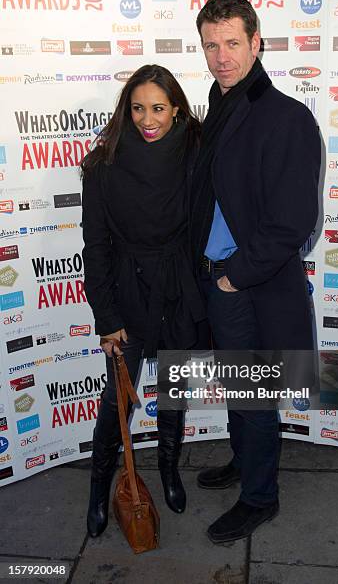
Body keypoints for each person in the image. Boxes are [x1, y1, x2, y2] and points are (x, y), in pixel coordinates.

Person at [190, 0, 321, 544]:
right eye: (211, 45)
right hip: (219, 279)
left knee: (255, 393)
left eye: (232, 43)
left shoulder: (287, 116)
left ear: (257, 42)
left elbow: (293, 224)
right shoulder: (218, 107)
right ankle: (244, 465)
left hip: (249, 283)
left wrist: (231, 276)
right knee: (236, 386)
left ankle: (260, 497)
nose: (221, 57)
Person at [81, 64, 208, 538]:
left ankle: (169, 472)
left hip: (178, 289)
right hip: (128, 292)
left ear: (177, 109)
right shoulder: (102, 165)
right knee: (116, 403)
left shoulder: (195, 155)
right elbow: (95, 247)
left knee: (174, 394)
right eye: (138, 108)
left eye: (158, 108)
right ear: (126, 109)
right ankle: (98, 491)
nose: (147, 119)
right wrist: (106, 317)